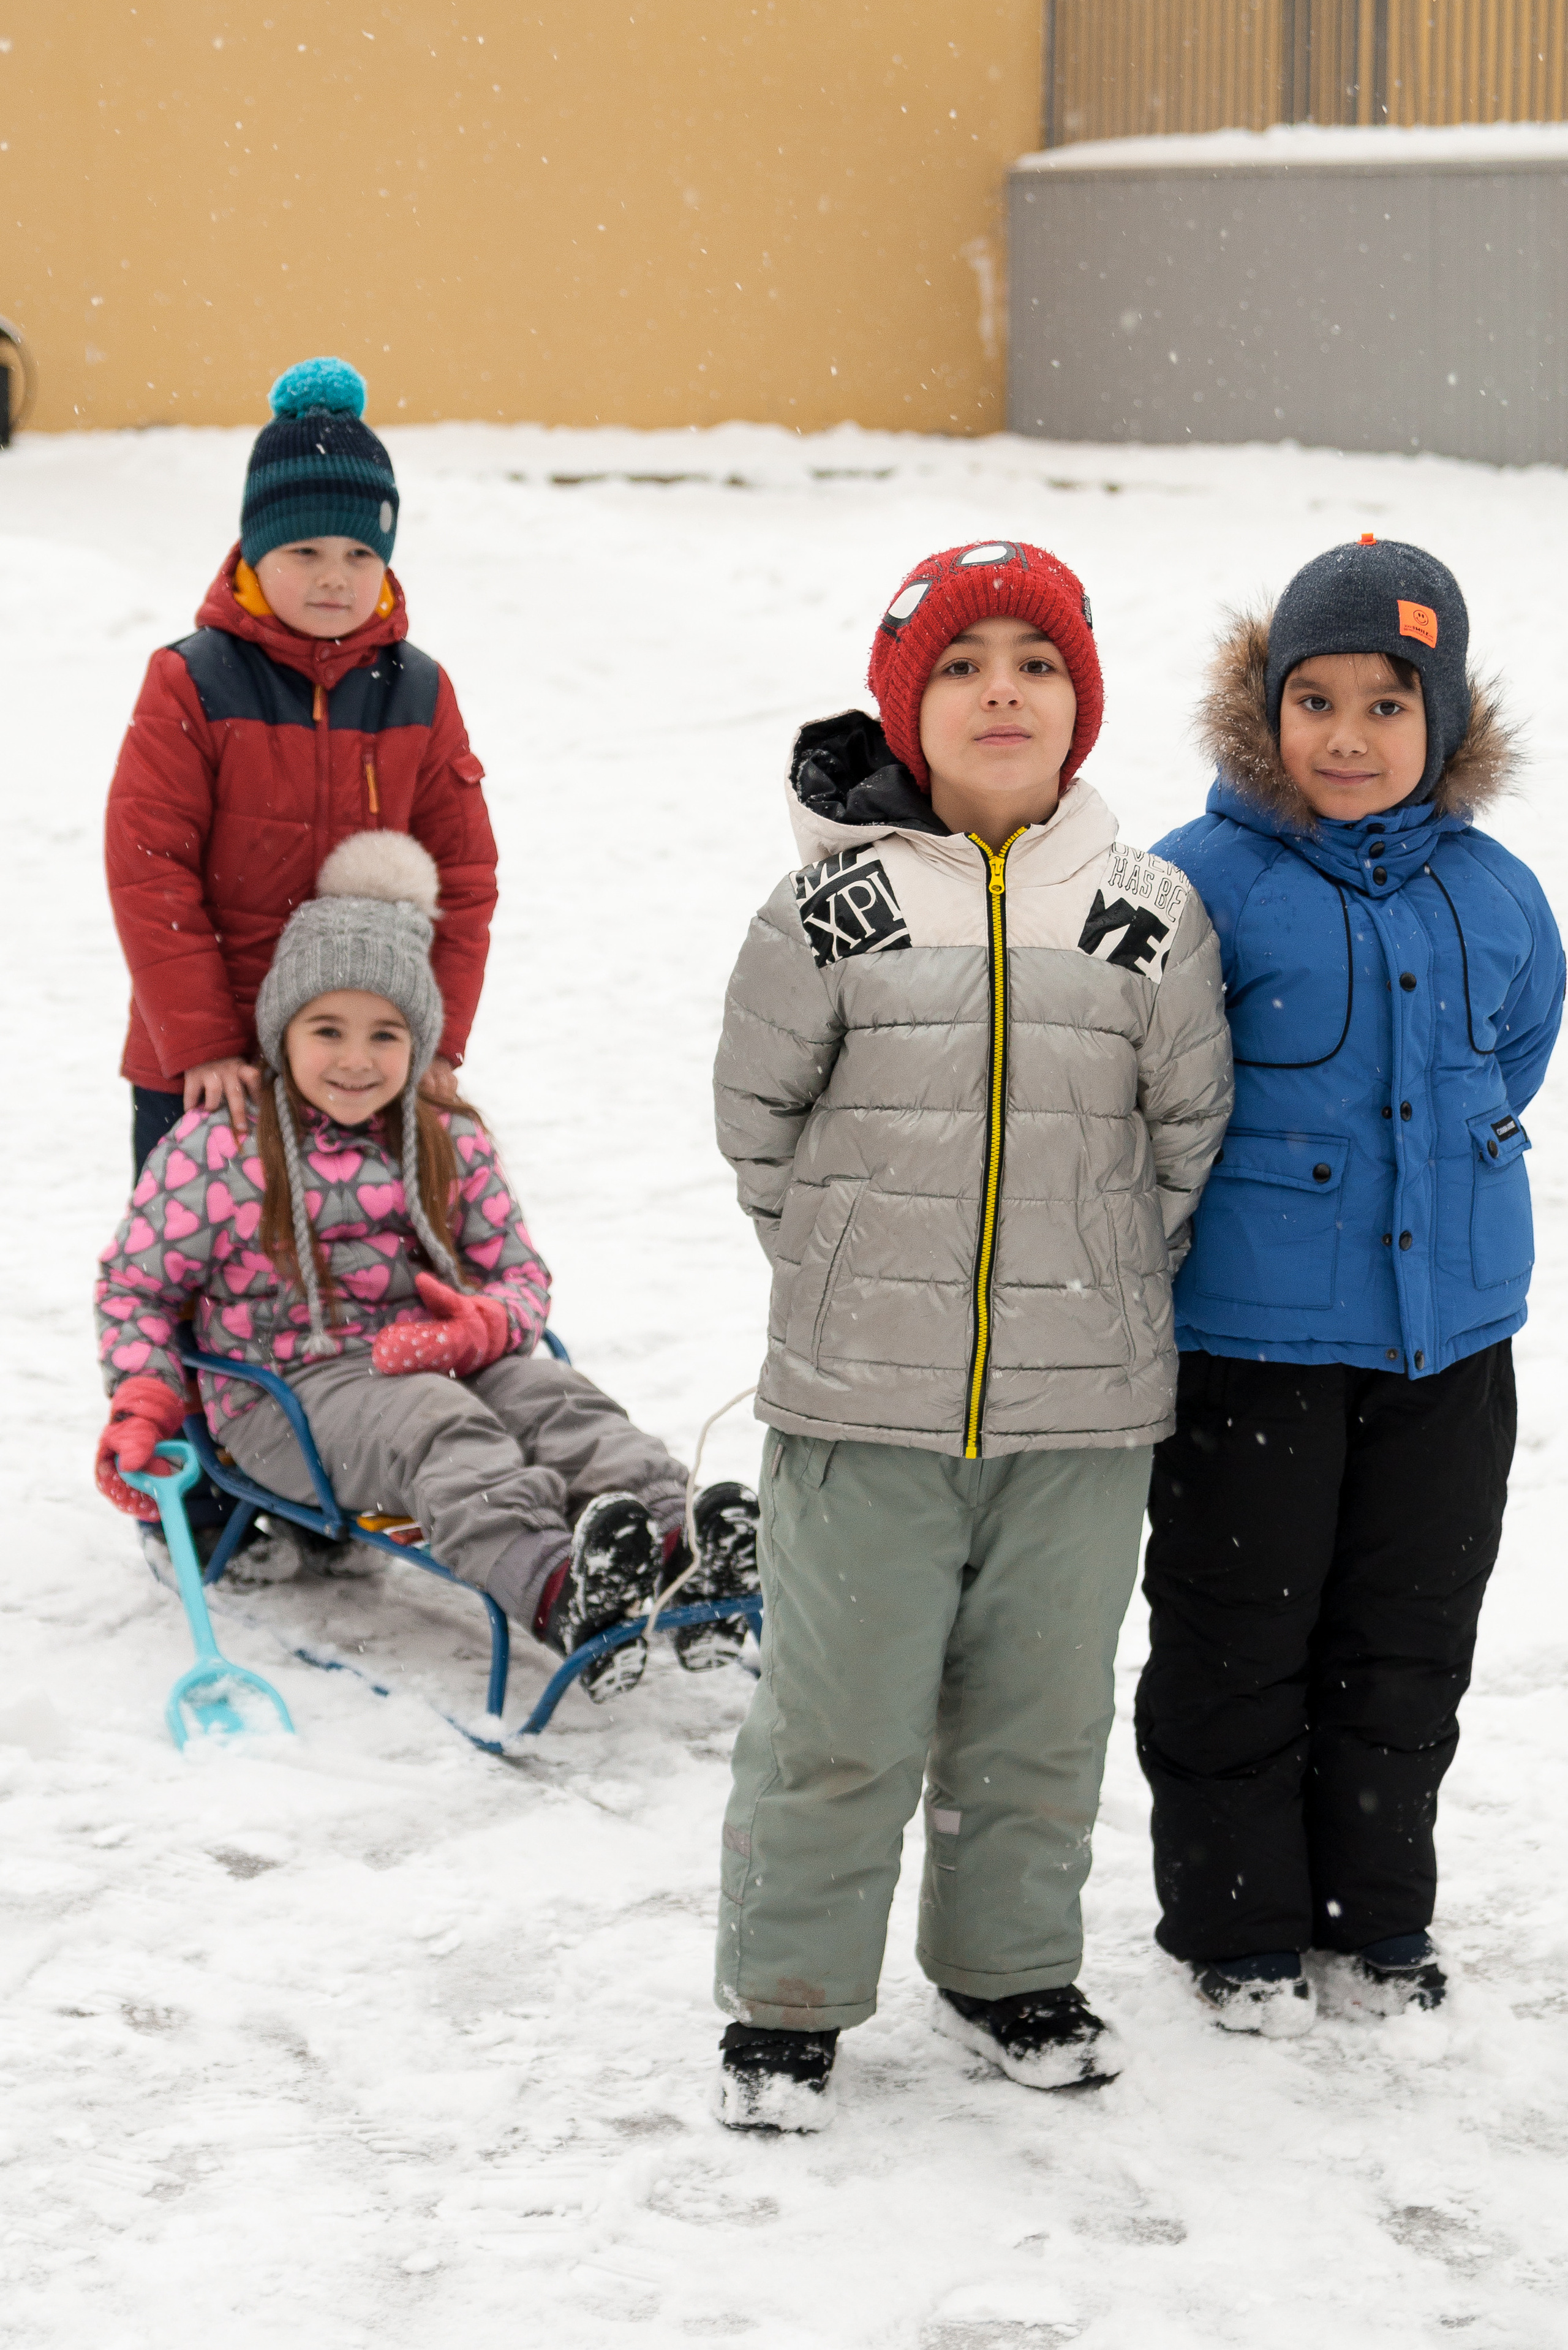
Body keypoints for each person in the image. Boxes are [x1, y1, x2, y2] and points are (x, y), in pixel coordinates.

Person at [708, 539, 1234, 2130]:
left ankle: (1009, 1965)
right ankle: (789, 1995)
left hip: (1079, 1417)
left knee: (1039, 1714)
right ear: (907, 706)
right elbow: (758, 1120)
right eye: (961, 663)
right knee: (838, 1712)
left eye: (1036, 661)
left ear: (1081, 704)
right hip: (861, 1405)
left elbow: (1187, 1132)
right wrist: (850, 1265)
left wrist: (1095, 1287)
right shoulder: (834, 908)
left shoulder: (1148, 913)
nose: (1001, 688)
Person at [1139, 538, 1564, 2035]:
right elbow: (1154, 1084)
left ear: (1440, 722)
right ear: (1264, 710)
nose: (1346, 734)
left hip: (1446, 1342)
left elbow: (1512, 1051)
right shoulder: (1194, 883)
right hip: (1253, 1342)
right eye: (1311, 699)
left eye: (1386, 704)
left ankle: (1370, 1913)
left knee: (1404, 1637)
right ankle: (1235, 1923)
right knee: (1234, 1631)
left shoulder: (1499, 893)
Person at [94, 832, 760, 1694]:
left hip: (445, 1357)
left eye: (386, 1034)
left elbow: (521, 1273)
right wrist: (144, 1401)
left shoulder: (448, 1134)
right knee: (439, 1428)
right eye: (327, 1029)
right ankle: (561, 1589)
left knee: (557, 1398)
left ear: (419, 1042)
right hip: (286, 1394)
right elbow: (137, 1284)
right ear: (282, 1033)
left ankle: (683, 1546)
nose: (356, 1059)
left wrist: (489, 1324)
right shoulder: (221, 1147)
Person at [105, 355, 498, 1175]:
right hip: (212, 1071)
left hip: (362, 1062)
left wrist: (436, 1042)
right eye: (306, 549)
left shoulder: (418, 691)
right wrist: (204, 1041)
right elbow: (150, 868)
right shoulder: (191, 681)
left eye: (362, 553)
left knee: (359, 1286)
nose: (335, 577)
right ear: (254, 549)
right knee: (189, 1282)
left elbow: (462, 874)